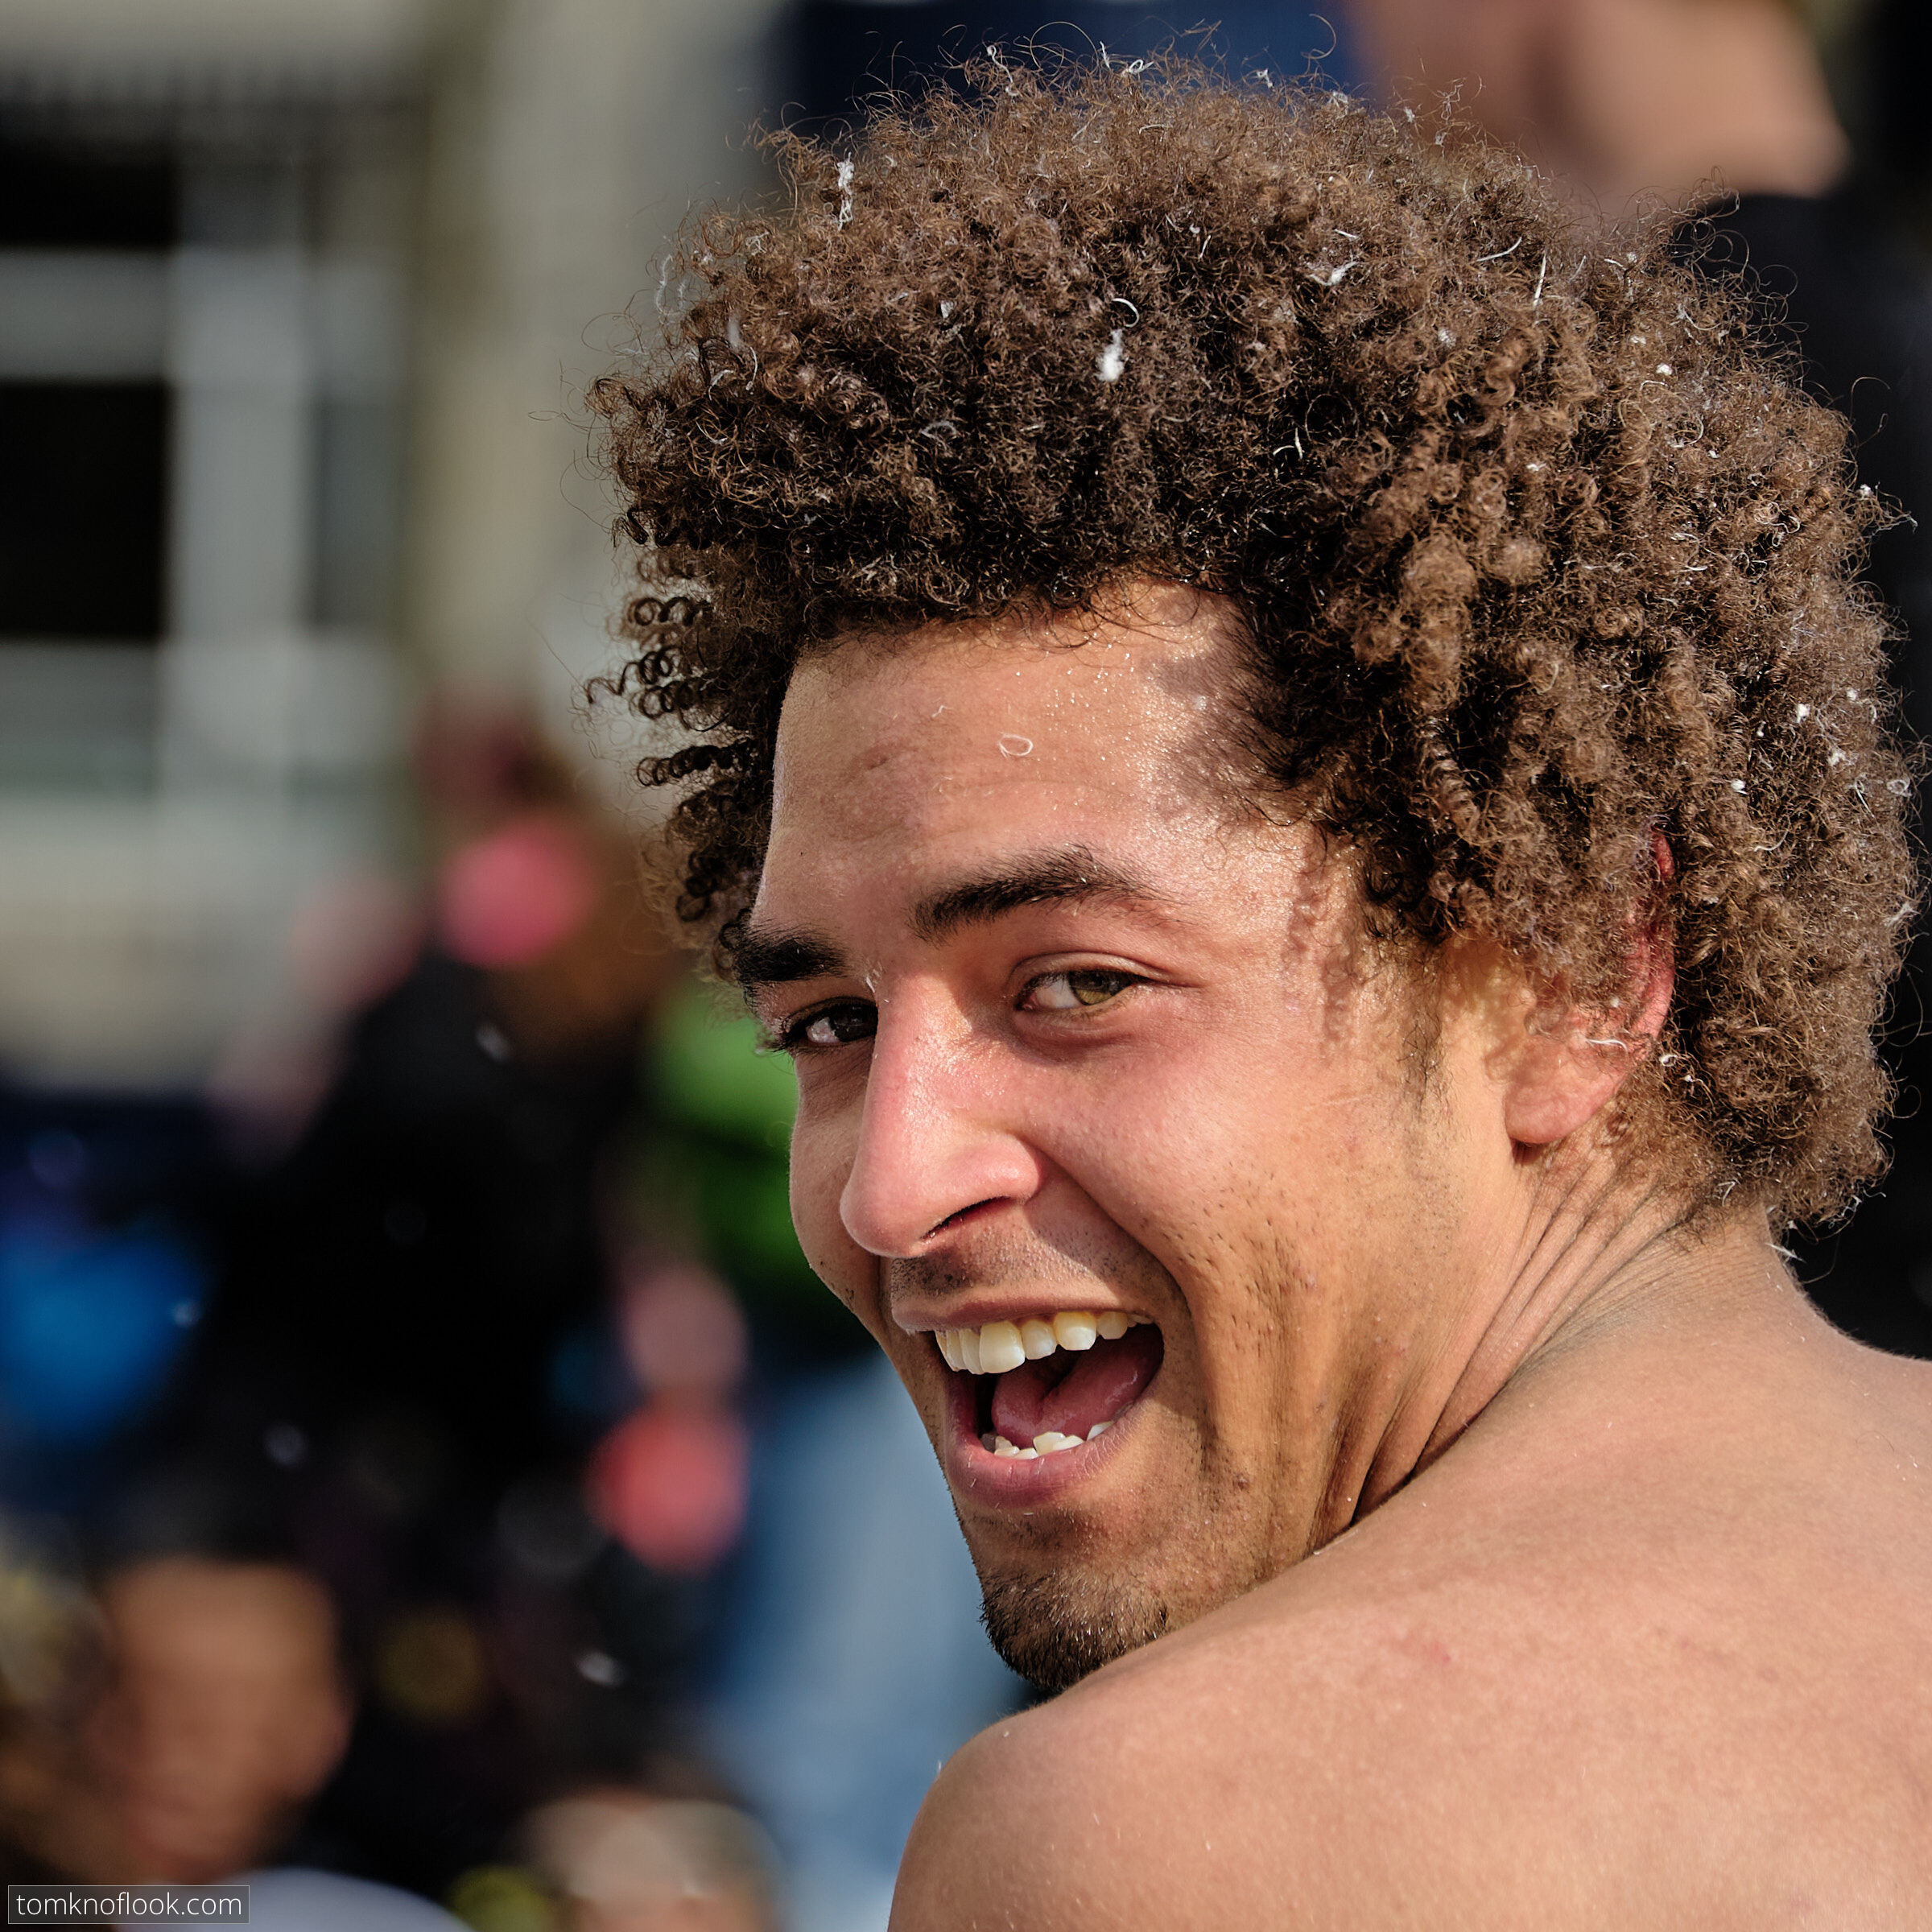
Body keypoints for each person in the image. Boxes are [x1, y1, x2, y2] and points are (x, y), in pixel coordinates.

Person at [590, 62, 1932, 1924]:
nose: (891, 1188)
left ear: (1572, 971)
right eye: (829, 1024)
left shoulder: (1150, 1834)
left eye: (1075, 984)